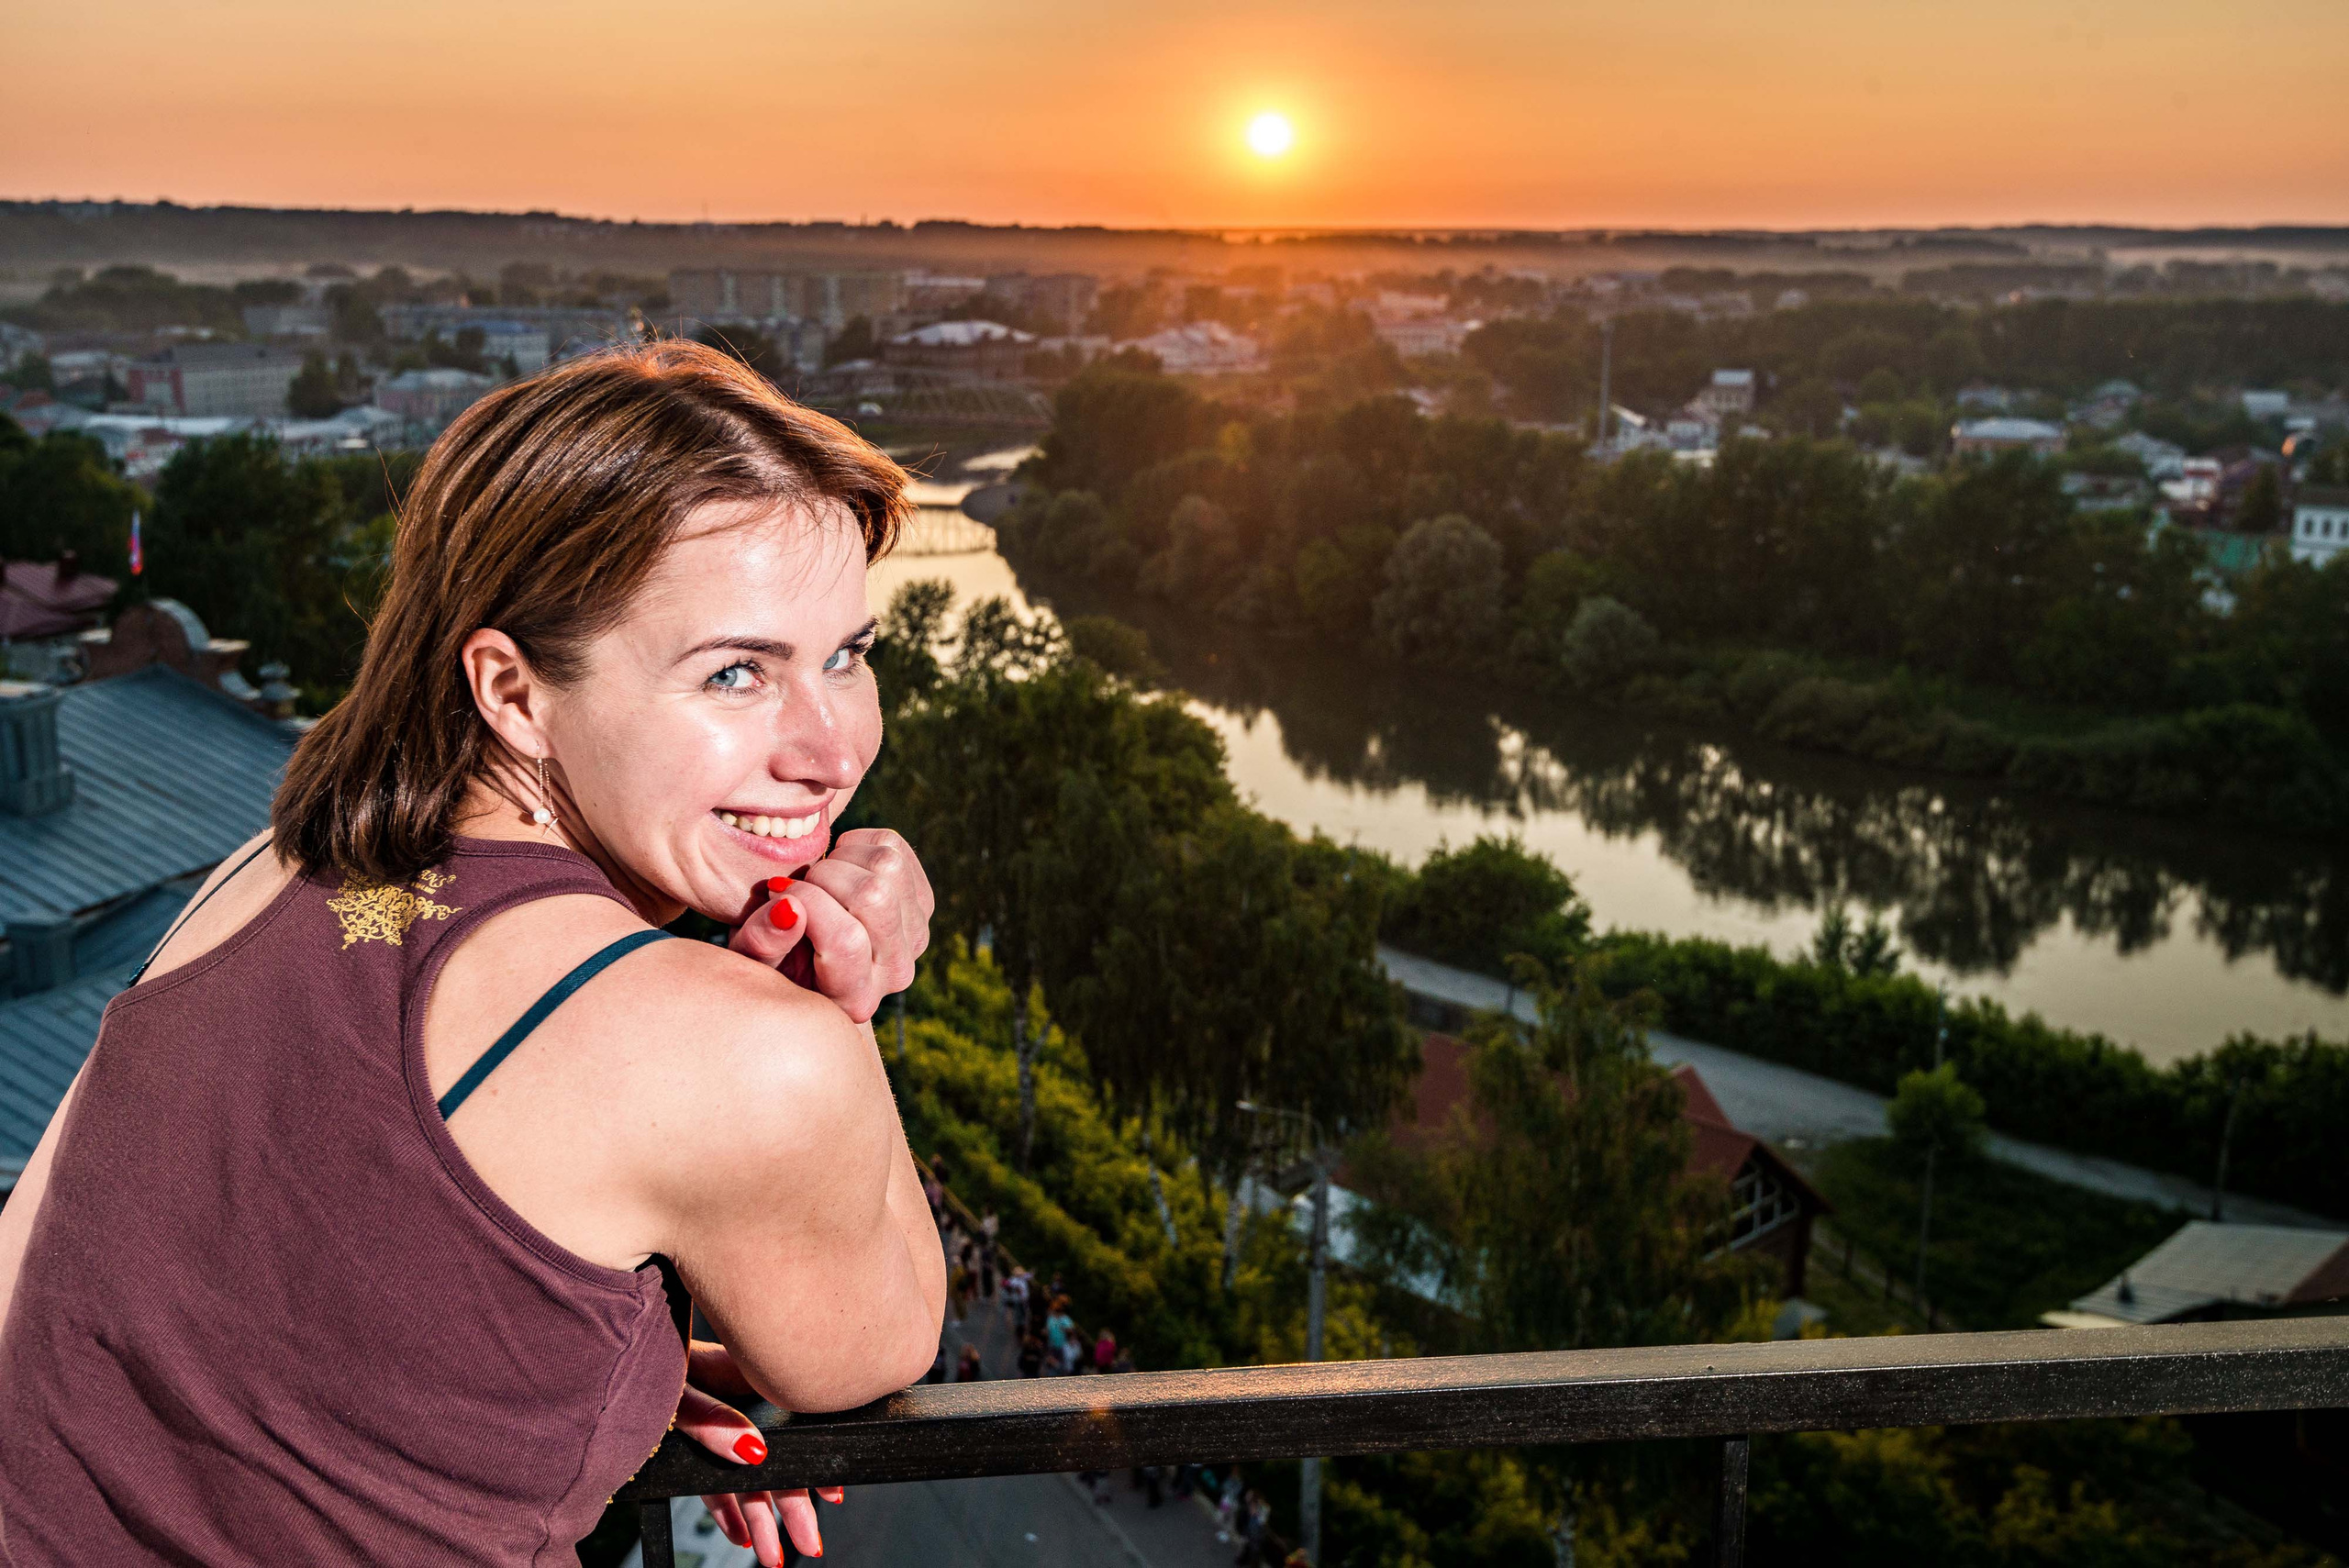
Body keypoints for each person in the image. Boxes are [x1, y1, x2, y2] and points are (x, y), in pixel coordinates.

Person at [0, 341, 951, 1568]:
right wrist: (839, 994)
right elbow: (878, 1349)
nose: (831, 748)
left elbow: (64, 1269)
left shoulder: (274, 866)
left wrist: (596, 1375)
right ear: (511, 690)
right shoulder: (737, 1055)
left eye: (846, 655)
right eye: (735, 673)